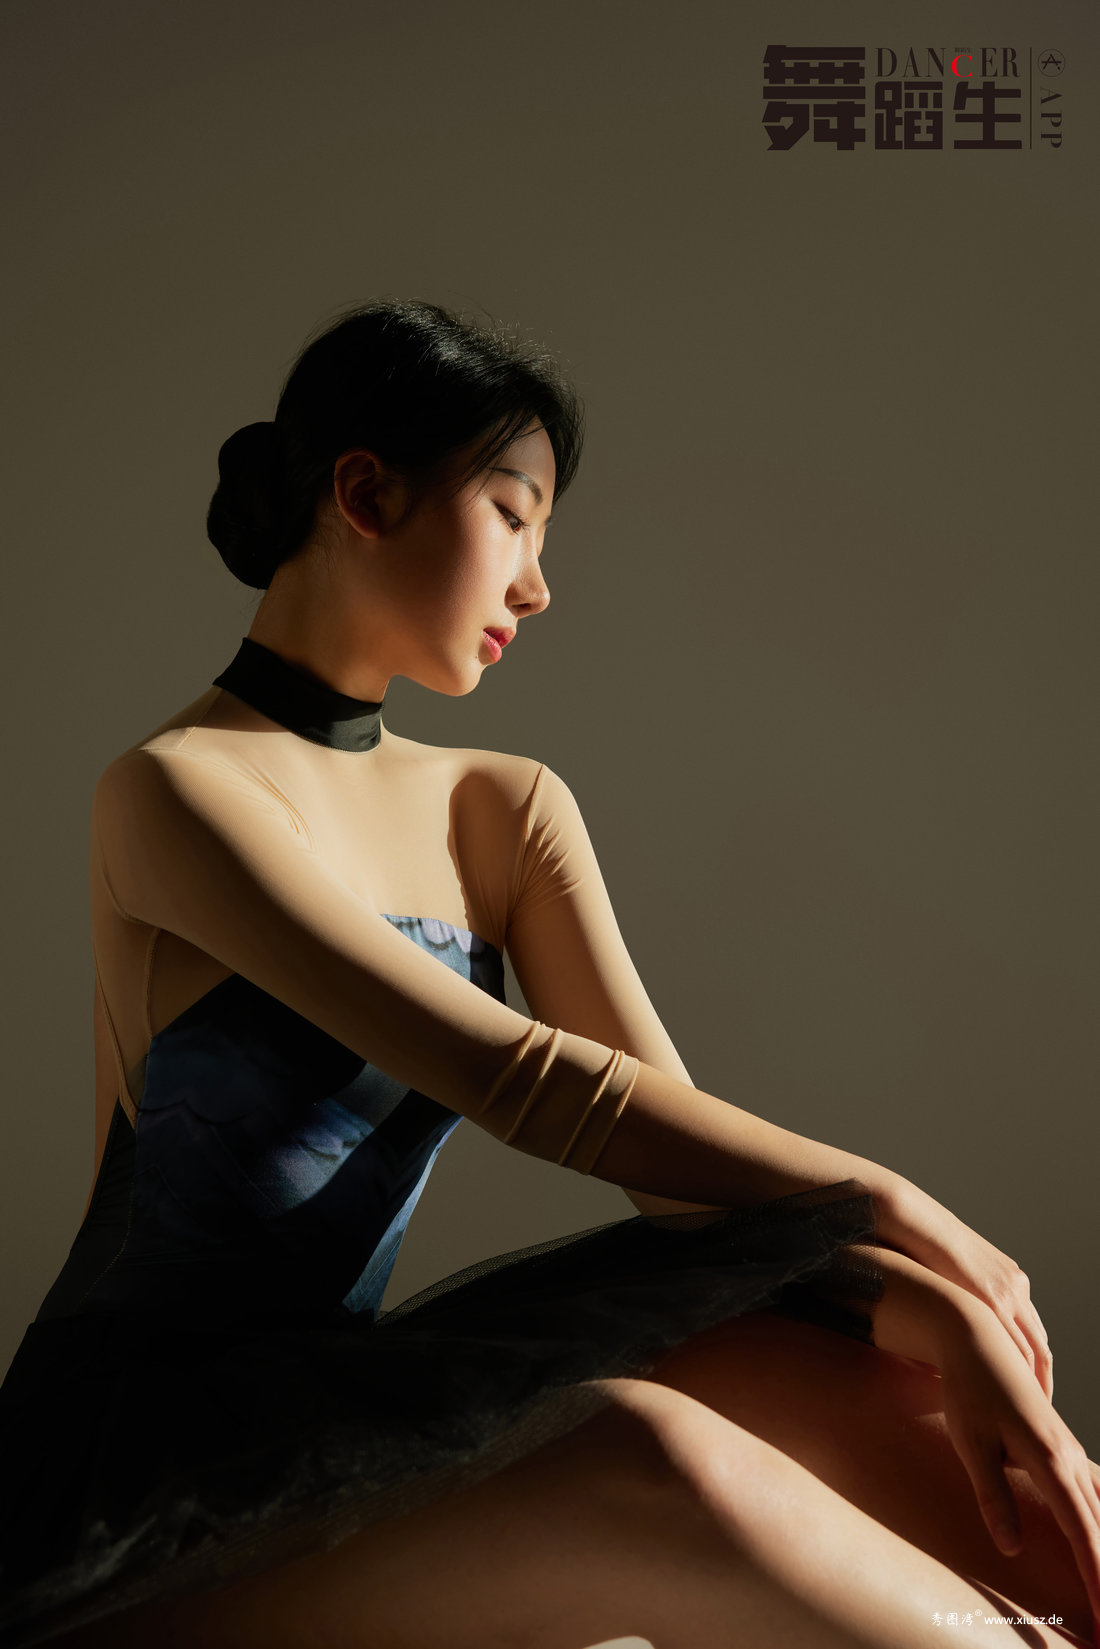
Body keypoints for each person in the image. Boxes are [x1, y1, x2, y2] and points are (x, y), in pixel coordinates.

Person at [0, 299, 1096, 1649]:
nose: (537, 586)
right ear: (365, 492)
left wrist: (918, 1298)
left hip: (330, 1405)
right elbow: (526, 1084)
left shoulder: (501, 808)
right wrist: (891, 1203)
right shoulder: (174, 793)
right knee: (651, 1456)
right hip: (126, 1488)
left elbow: (680, 1175)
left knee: (855, 1373)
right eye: (514, 516)